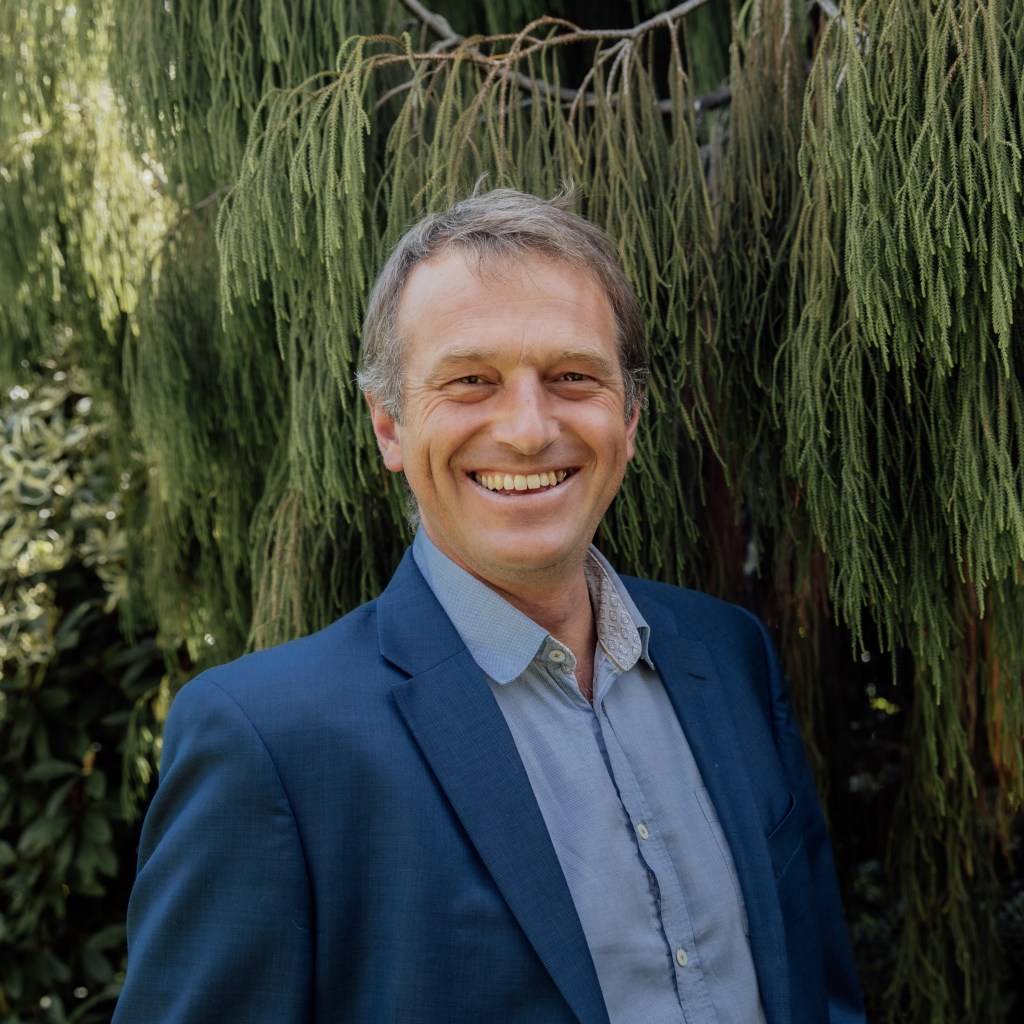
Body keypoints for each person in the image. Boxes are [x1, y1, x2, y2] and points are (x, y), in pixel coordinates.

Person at [113, 189, 865, 1024]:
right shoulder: (269, 744)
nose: (528, 428)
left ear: (631, 417)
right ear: (389, 426)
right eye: (471, 381)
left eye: (573, 377)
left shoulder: (730, 657)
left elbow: (818, 988)